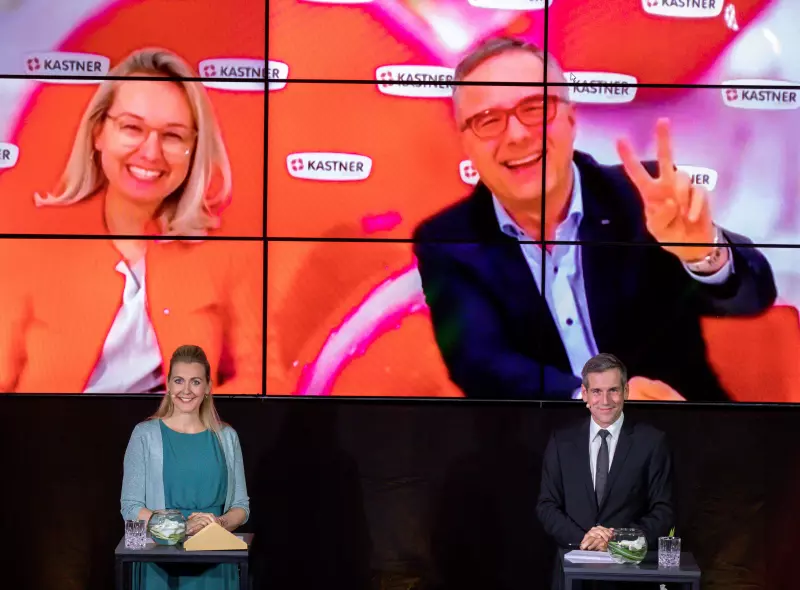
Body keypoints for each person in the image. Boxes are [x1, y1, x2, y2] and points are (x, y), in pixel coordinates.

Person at [412, 36, 778, 402]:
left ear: (571, 119)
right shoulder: (446, 241)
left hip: (678, 429)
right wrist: (595, 400)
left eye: (535, 108)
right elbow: (481, 364)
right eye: (488, 120)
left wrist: (703, 252)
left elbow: (754, 297)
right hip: (548, 435)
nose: (517, 135)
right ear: (466, 143)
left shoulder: (642, 196)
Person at [0, 48, 262, 394]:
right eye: (132, 128)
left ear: (194, 148)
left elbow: (263, 379)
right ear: (98, 133)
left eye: (172, 135)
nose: (151, 152)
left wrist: (184, 418)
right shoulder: (28, 249)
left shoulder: (228, 253)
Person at [536, 353, 673, 590]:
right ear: (585, 394)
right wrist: (584, 539)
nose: (605, 400)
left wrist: (617, 540)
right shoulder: (561, 442)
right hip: (572, 577)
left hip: (629, 577)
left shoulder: (652, 442)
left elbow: (663, 510)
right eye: (597, 391)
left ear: (626, 392)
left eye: (613, 390)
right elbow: (547, 506)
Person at [121, 344, 250, 589]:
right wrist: (180, 528)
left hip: (215, 561)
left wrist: (217, 524)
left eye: (196, 382)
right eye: (179, 381)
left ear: (208, 387)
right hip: (160, 564)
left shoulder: (227, 437)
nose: (186, 390)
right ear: (168, 385)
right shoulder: (144, 435)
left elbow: (241, 507)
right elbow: (131, 507)